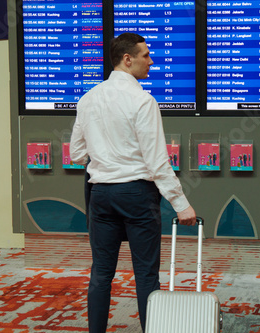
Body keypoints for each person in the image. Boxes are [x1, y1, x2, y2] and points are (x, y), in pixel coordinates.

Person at [70, 32, 196, 333]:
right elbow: (157, 162)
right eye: (146, 55)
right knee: (146, 275)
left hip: (100, 195)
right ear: (128, 59)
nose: (151, 62)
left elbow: (76, 154)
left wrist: (105, 152)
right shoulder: (142, 100)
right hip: (137, 195)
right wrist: (182, 205)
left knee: (100, 273)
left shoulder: (88, 99)